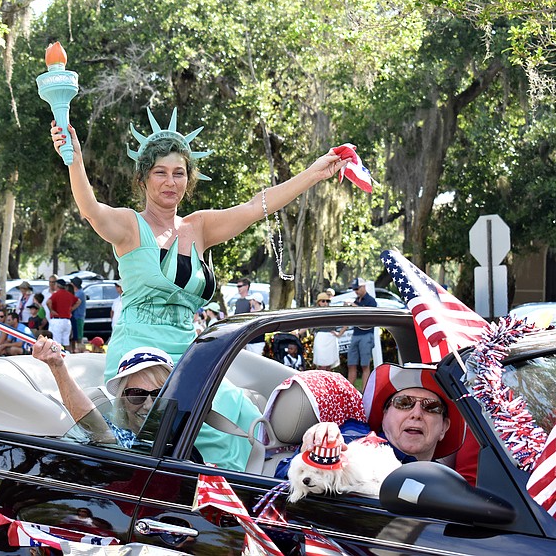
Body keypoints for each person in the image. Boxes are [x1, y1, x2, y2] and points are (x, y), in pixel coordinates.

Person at [51, 108, 351, 471]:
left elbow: (258, 206)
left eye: (179, 173)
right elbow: (91, 209)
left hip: (189, 349)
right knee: (191, 418)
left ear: (188, 181)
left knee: (234, 408)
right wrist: (75, 160)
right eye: (160, 172)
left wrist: (314, 173)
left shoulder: (199, 227)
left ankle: (230, 500)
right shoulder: (130, 226)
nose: (170, 181)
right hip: (139, 351)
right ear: (143, 178)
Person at [275, 362, 465, 479]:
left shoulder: (449, 483)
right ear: (384, 415)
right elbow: (284, 478)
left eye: (431, 407)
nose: (416, 414)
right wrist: (315, 450)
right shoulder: (354, 440)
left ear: (444, 428)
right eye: (404, 403)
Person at [33, 340, 172, 445]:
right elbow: (90, 418)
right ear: (122, 398)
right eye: (137, 394)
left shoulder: (186, 433)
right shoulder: (120, 437)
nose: (148, 405)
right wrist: (57, 366)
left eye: (158, 394)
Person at [345, 278, 377, 389]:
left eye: (357, 289)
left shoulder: (371, 301)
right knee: (351, 364)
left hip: (366, 334)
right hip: (356, 334)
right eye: (354, 289)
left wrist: (354, 306)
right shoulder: (356, 301)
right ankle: (349, 391)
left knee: (365, 365)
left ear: (364, 287)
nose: (356, 291)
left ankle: (365, 392)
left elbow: (369, 316)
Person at [311, 291, 346, 371]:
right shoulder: (314, 312)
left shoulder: (333, 312)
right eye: (323, 301)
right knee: (321, 365)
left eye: (327, 301)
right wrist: (298, 333)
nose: (325, 303)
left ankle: (328, 382)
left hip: (331, 338)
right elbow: (306, 324)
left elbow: (345, 322)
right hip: (320, 338)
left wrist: (339, 334)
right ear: (319, 302)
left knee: (329, 366)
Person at [47, 278, 79, 348]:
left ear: (57, 285)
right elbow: (78, 301)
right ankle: (68, 356)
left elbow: (48, 302)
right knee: (66, 342)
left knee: (56, 343)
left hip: (57, 320)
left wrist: (51, 310)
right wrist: (71, 309)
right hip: (67, 320)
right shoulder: (69, 294)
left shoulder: (56, 294)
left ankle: (56, 357)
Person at [70, 277, 87, 353]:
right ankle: (74, 351)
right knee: (73, 337)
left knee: (79, 337)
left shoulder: (80, 293)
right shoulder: (76, 292)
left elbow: (76, 302)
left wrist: (69, 310)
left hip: (78, 317)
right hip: (74, 317)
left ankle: (81, 351)